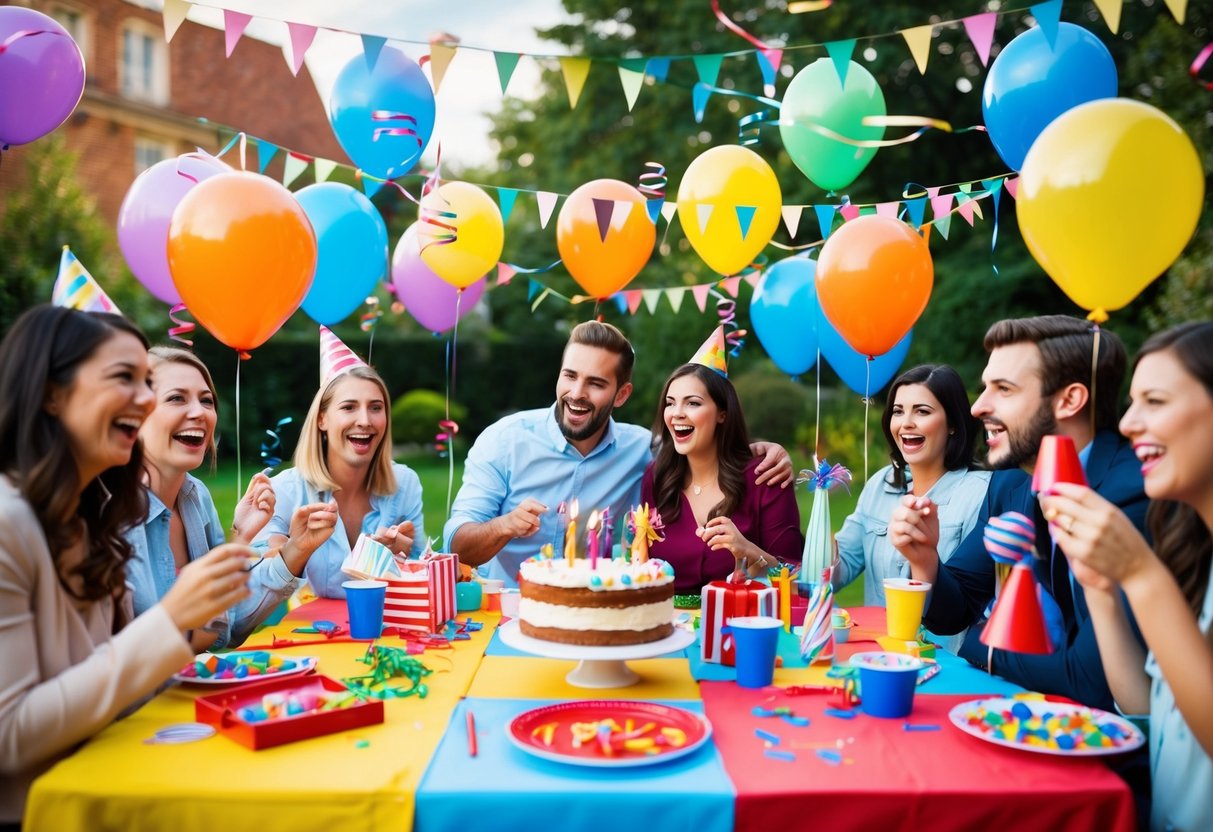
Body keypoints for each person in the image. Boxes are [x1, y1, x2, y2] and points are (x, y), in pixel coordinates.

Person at [0, 306, 251, 825]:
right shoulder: (8, 524)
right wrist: (170, 620)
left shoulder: (90, 518)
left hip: (120, 776)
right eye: (125, 379)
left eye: (146, 382)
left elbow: (118, 680)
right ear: (51, 393)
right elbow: (11, 737)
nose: (145, 399)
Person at [889, 315, 1147, 710]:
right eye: (984, 388)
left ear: (1069, 400)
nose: (977, 407)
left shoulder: (1129, 496)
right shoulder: (1011, 485)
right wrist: (925, 561)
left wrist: (981, 644)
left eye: (1003, 389)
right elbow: (952, 615)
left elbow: (1090, 680)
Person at [444, 321, 793, 586]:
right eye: (570, 376)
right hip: (507, 613)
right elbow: (456, 545)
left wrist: (764, 450)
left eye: (595, 383)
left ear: (622, 394)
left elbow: (701, 444)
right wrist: (504, 526)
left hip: (595, 616)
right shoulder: (504, 441)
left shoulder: (643, 451)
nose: (576, 393)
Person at [1041, 322, 1213, 831]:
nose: (1131, 423)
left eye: (1155, 401)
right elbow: (1147, 705)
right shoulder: (1192, 548)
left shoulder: (1155, 565)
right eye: (1132, 402)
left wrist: (1140, 575)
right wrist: (1101, 591)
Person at [125, 347, 333, 650]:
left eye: (206, 400)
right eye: (176, 398)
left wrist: (292, 548)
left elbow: (223, 627)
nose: (199, 412)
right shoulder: (111, 512)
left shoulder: (195, 498)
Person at [831, 364, 990, 652]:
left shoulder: (982, 493)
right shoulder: (881, 484)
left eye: (922, 411)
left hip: (946, 668)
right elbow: (838, 572)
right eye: (898, 411)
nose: (906, 423)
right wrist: (820, 539)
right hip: (877, 658)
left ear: (953, 423)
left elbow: (977, 603)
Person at [257, 329, 424, 599]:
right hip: (306, 635)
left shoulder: (405, 484)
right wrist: (292, 549)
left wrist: (402, 559)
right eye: (349, 407)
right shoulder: (283, 492)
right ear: (322, 420)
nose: (365, 420)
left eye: (375, 407)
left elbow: (419, 573)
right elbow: (259, 582)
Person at [641, 355, 803, 593]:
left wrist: (748, 551)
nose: (676, 413)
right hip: (669, 627)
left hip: (743, 626)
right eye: (670, 402)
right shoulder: (656, 479)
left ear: (722, 413)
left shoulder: (765, 478)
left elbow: (797, 578)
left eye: (692, 403)